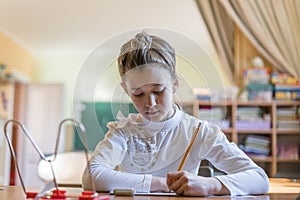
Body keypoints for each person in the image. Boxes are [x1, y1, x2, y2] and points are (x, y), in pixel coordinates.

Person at [82, 31, 269, 196]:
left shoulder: (199, 131)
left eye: (159, 90)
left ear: (175, 83)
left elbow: (259, 178)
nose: (150, 103)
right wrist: (161, 183)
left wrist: (211, 185)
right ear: (125, 89)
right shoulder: (123, 132)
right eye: (138, 94)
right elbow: (91, 176)